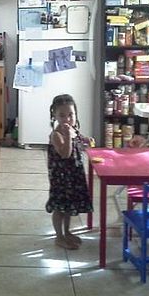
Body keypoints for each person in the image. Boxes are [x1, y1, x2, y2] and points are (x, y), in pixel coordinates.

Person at [45, 94, 93, 250]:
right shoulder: (57, 135)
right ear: (55, 116)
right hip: (61, 179)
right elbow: (65, 154)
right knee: (60, 208)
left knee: (69, 207)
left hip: (73, 175)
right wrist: (67, 136)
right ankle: (59, 237)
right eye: (62, 115)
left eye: (71, 115)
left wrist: (85, 140)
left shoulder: (72, 130)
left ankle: (67, 232)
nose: (67, 119)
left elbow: (79, 139)